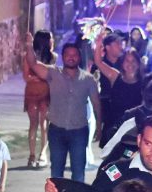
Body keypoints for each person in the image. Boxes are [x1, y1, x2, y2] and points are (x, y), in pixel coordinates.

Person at [24, 34, 101, 183]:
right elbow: (33, 64)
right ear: (63, 57)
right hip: (57, 130)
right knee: (56, 173)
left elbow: (96, 104)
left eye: (74, 55)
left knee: (78, 173)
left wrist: (98, 126)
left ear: (79, 57)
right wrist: (29, 45)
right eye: (68, 55)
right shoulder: (53, 73)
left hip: (79, 131)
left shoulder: (88, 79)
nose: (71, 58)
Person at [93, 33, 143, 146]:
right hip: (114, 127)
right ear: (122, 62)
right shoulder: (115, 76)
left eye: (133, 61)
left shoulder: (144, 82)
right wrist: (99, 43)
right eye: (127, 61)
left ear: (138, 63)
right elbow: (98, 62)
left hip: (133, 129)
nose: (130, 64)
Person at [23, 30, 54, 169]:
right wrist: (40, 77)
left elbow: (52, 75)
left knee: (44, 124)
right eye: (50, 38)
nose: (52, 41)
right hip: (32, 94)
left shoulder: (53, 57)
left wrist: (39, 77)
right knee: (33, 124)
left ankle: (43, 153)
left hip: (47, 94)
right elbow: (26, 76)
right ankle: (31, 154)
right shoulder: (28, 57)